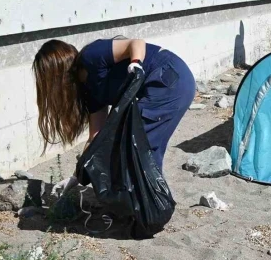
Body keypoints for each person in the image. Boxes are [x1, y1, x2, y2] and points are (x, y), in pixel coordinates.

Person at [34, 38, 196, 195]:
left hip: (169, 78)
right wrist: (76, 176)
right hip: (168, 84)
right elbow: (95, 137)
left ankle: (146, 206)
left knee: (134, 146)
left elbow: (136, 42)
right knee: (140, 149)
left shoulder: (92, 55)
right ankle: (149, 205)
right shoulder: (90, 90)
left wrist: (136, 62)